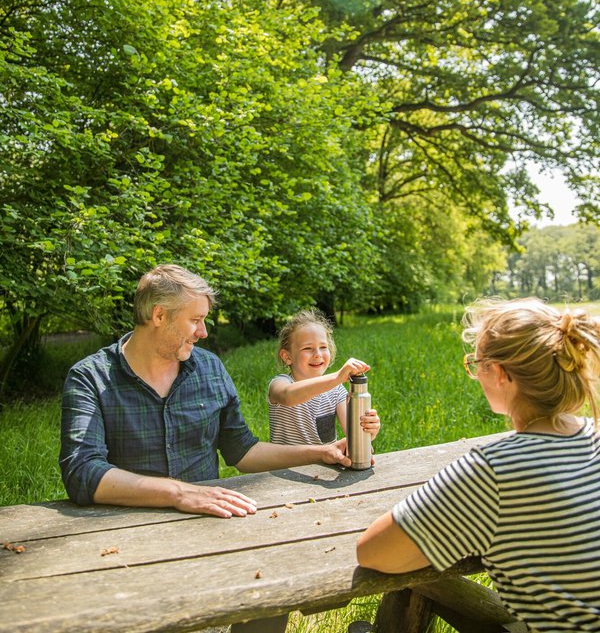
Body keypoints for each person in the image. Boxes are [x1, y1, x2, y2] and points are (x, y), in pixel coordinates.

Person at [60, 265, 352, 633]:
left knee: (276, 583)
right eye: (196, 320)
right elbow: (82, 472)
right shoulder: (91, 377)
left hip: (208, 526)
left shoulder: (210, 369)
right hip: (126, 540)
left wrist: (320, 452)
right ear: (159, 315)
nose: (204, 331)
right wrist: (179, 493)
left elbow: (242, 451)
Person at [357, 297, 600, 633]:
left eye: (476, 363)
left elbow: (373, 552)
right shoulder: (594, 435)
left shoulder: (494, 471)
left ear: (499, 373)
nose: (474, 373)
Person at [268, 308, 380, 448]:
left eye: (323, 347)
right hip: (286, 468)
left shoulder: (336, 391)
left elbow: (355, 435)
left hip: (326, 465)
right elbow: (288, 396)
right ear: (287, 357)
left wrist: (369, 429)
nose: (317, 354)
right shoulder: (280, 383)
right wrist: (337, 377)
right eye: (308, 348)